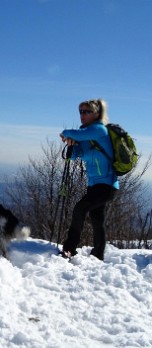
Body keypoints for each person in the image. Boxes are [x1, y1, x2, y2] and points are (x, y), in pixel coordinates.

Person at [59, 98, 119, 260]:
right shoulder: (86, 134)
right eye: (81, 112)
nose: (82, 115)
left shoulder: (99, 130)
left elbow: (70, 133)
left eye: (87, 112)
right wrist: (72, 146)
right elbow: (78, 154)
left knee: (80, 208)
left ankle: (70, 248)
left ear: (97, 114)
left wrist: (67, 135)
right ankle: (98, 254)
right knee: (96, 218)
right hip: (94, 184)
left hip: (107, 185)